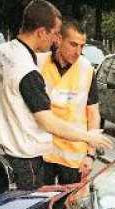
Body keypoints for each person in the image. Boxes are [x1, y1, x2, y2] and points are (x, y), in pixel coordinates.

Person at [0, 0, 112, 191]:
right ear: (41, 32)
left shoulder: (0, 53)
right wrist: (88, 137)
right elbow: (47, 121)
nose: (54, 40)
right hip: (22, 158)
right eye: (54, 33)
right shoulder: (29, 69)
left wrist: (89, 154)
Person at [39, 21, 100, 185]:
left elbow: (93, 113)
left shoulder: (87, 69)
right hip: (42, 152)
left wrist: (91, 154)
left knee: (69, 206)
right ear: (59, 39)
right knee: (40, 206)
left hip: (74, 155)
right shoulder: (39, 64)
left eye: (82, 46)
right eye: (73, 45)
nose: (78, 52)